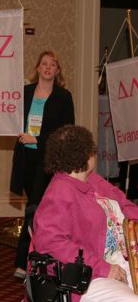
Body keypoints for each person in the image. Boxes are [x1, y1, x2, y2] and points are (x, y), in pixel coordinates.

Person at [33, 124, 138, 301]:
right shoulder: (59, 192)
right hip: (88, 276)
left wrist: (133, 225)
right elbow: (50, 242)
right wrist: (103, 267)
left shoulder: (92, 180)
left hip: (124, 262)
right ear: (87, 154)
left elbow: (124, 204)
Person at [10, 50, 75, 278]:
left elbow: (66, 131)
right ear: (37, 68)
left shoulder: (63, 97)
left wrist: (37, 139)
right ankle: (43, 257)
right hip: (25, 158)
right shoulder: (25, 93)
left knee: (34, 208)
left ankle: (22, 262)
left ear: (57, 71)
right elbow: (11, 117)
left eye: (52, 65)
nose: (47, 68)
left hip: (47, 159)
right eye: (44, 64)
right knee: (38, 209)